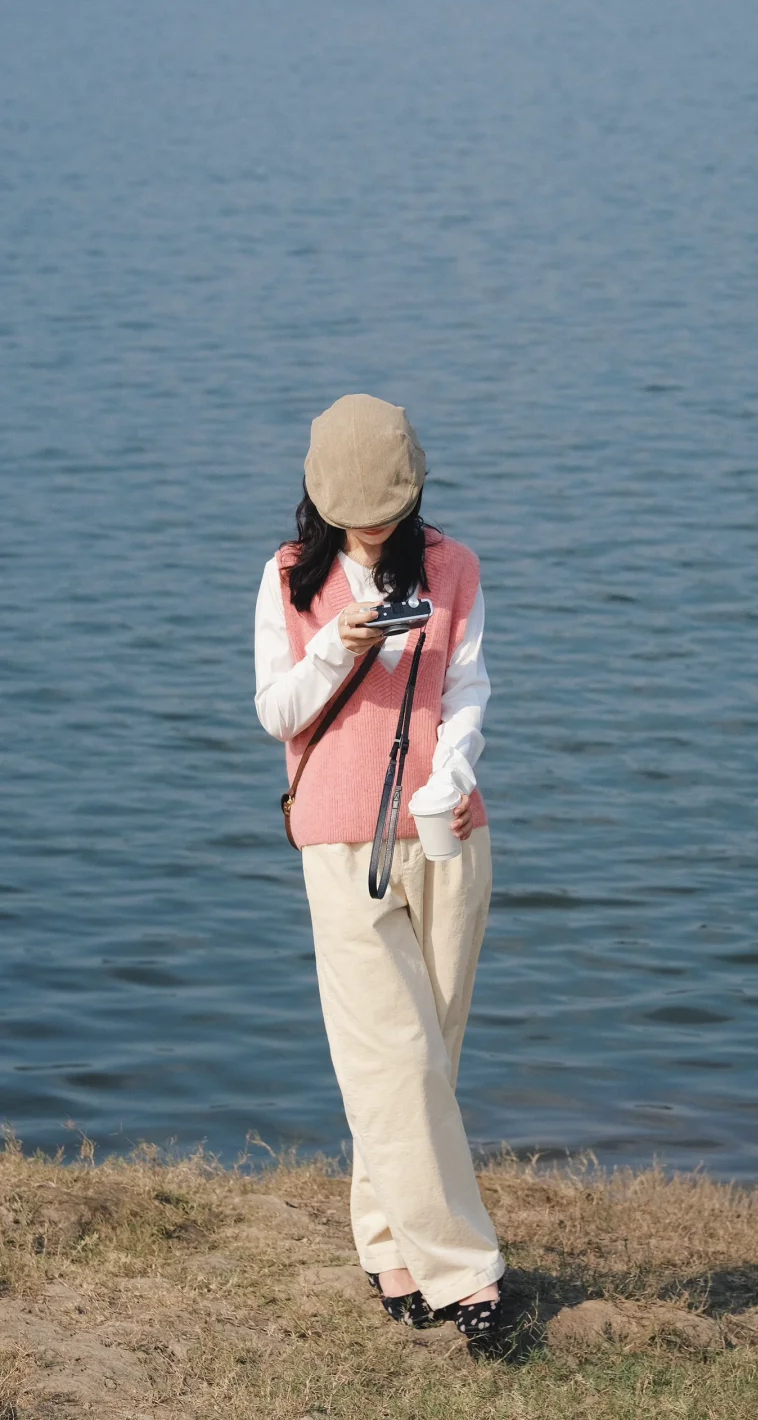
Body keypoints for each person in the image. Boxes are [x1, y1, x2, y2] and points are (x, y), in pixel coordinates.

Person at [253, 393, 504, 1345]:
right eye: (359, 508)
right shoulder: (287, 580)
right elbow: (278, 712)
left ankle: (386, 1240)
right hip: (340, 838)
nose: (377, 524)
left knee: (424, 1057)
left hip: (446, 831)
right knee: (390, 1056)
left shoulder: (453, 566)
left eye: (390, 506)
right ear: (320, 499)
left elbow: (469, 683)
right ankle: (464, 1270)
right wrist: (333, 649)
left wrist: (455, 765)